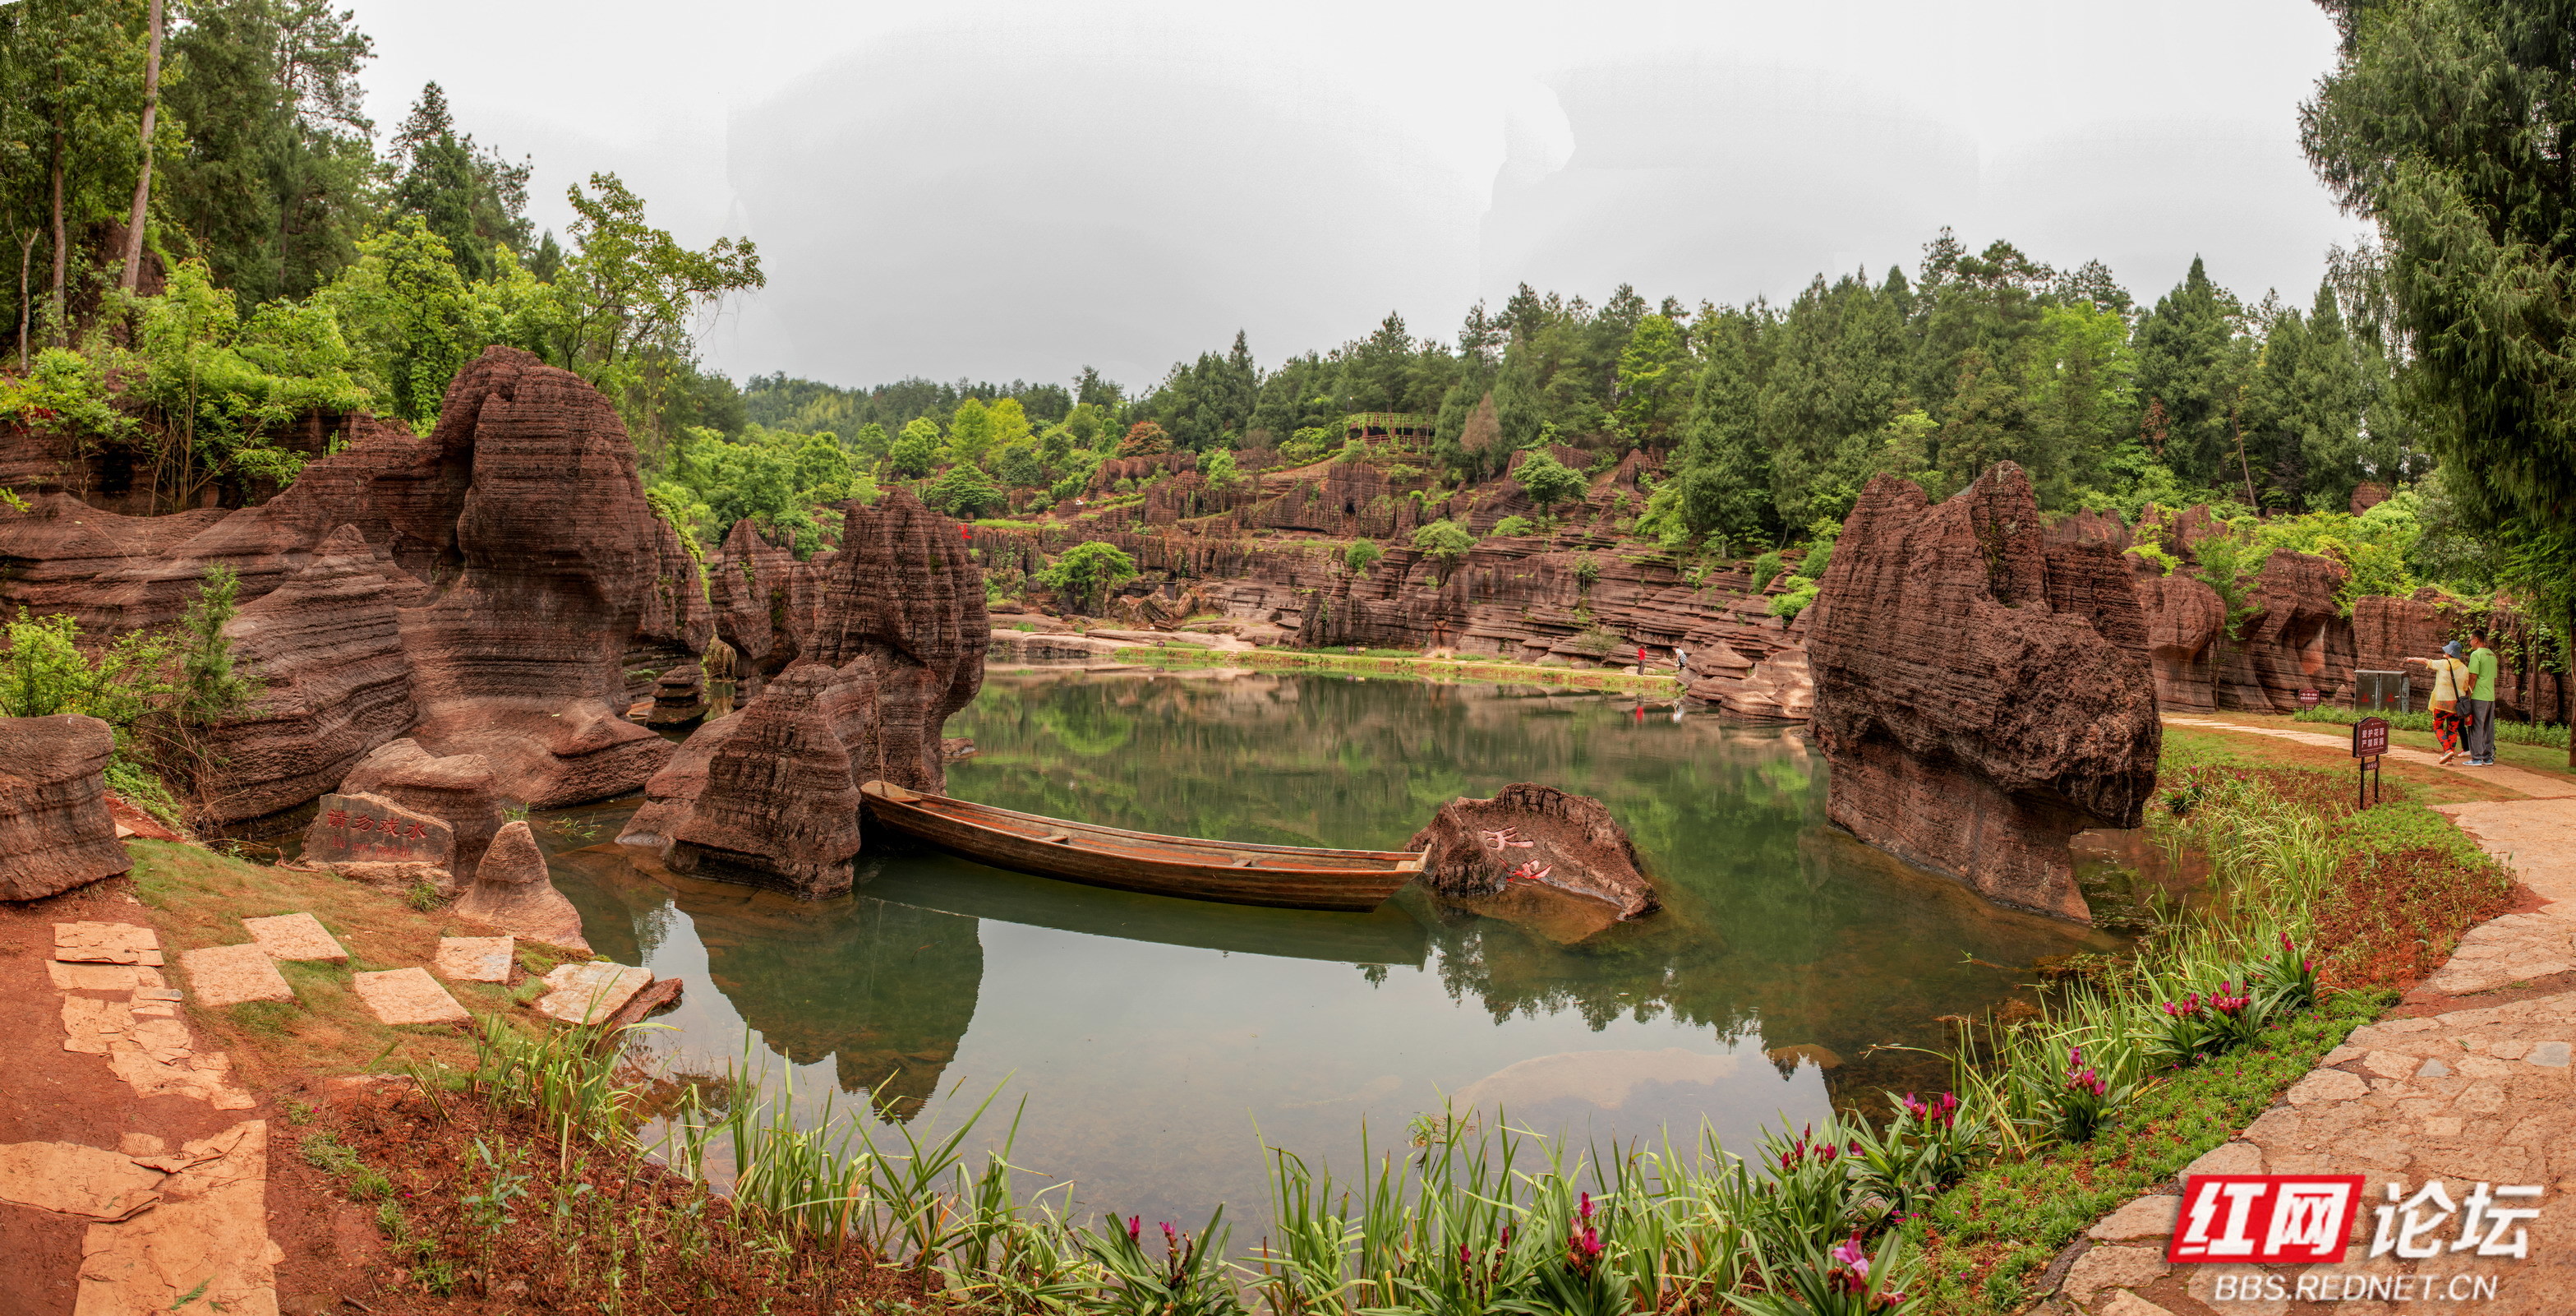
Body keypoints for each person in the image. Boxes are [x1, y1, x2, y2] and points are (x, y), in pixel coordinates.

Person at [2404, 641, 2474, 765]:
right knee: (2452, 729)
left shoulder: (2443, 664)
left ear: (2448, 653)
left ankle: (2447, 750)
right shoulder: (2464, 668)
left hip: (2442, 702)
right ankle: (2450, 758)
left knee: (2437, 727)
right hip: (2456, 705)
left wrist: (2412, 659)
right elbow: (2465, 687)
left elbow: (2426, 661)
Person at [2463, 628, 2500, 766]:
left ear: (2476, 640)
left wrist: (2468, 694)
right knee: (2488, 727)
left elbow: (2473, 676)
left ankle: (2477, 758)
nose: (2470, 643)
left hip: (2479, 695)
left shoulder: (2476, 655)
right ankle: (2487, 757)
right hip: (2490, 696)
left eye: (2470, 640)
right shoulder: (2492, 655)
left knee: (2476, 726)